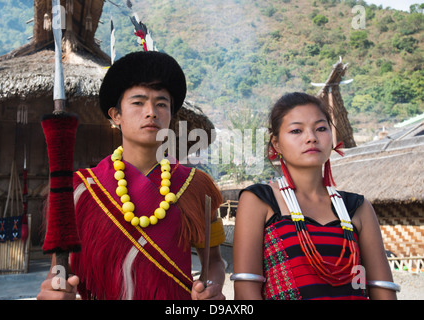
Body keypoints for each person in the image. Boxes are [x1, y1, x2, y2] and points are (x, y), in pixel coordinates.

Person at [37, 51, 226, 300]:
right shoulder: (80, 190)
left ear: (171, 115)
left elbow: (214, 262)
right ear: (116, 115)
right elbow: (59, 269)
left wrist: (210, 286)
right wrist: (54, 287)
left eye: (161, 104)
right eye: (138, 103)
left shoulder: (196, 187)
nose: (151, 112)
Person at [232, 92, 398, 300]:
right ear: (276, 144)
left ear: (332, 137)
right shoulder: (259, 200)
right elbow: (246, 292)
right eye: (296, 131)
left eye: (321, 128)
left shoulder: (357, 207)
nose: (311, 137)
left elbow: (383, 291)